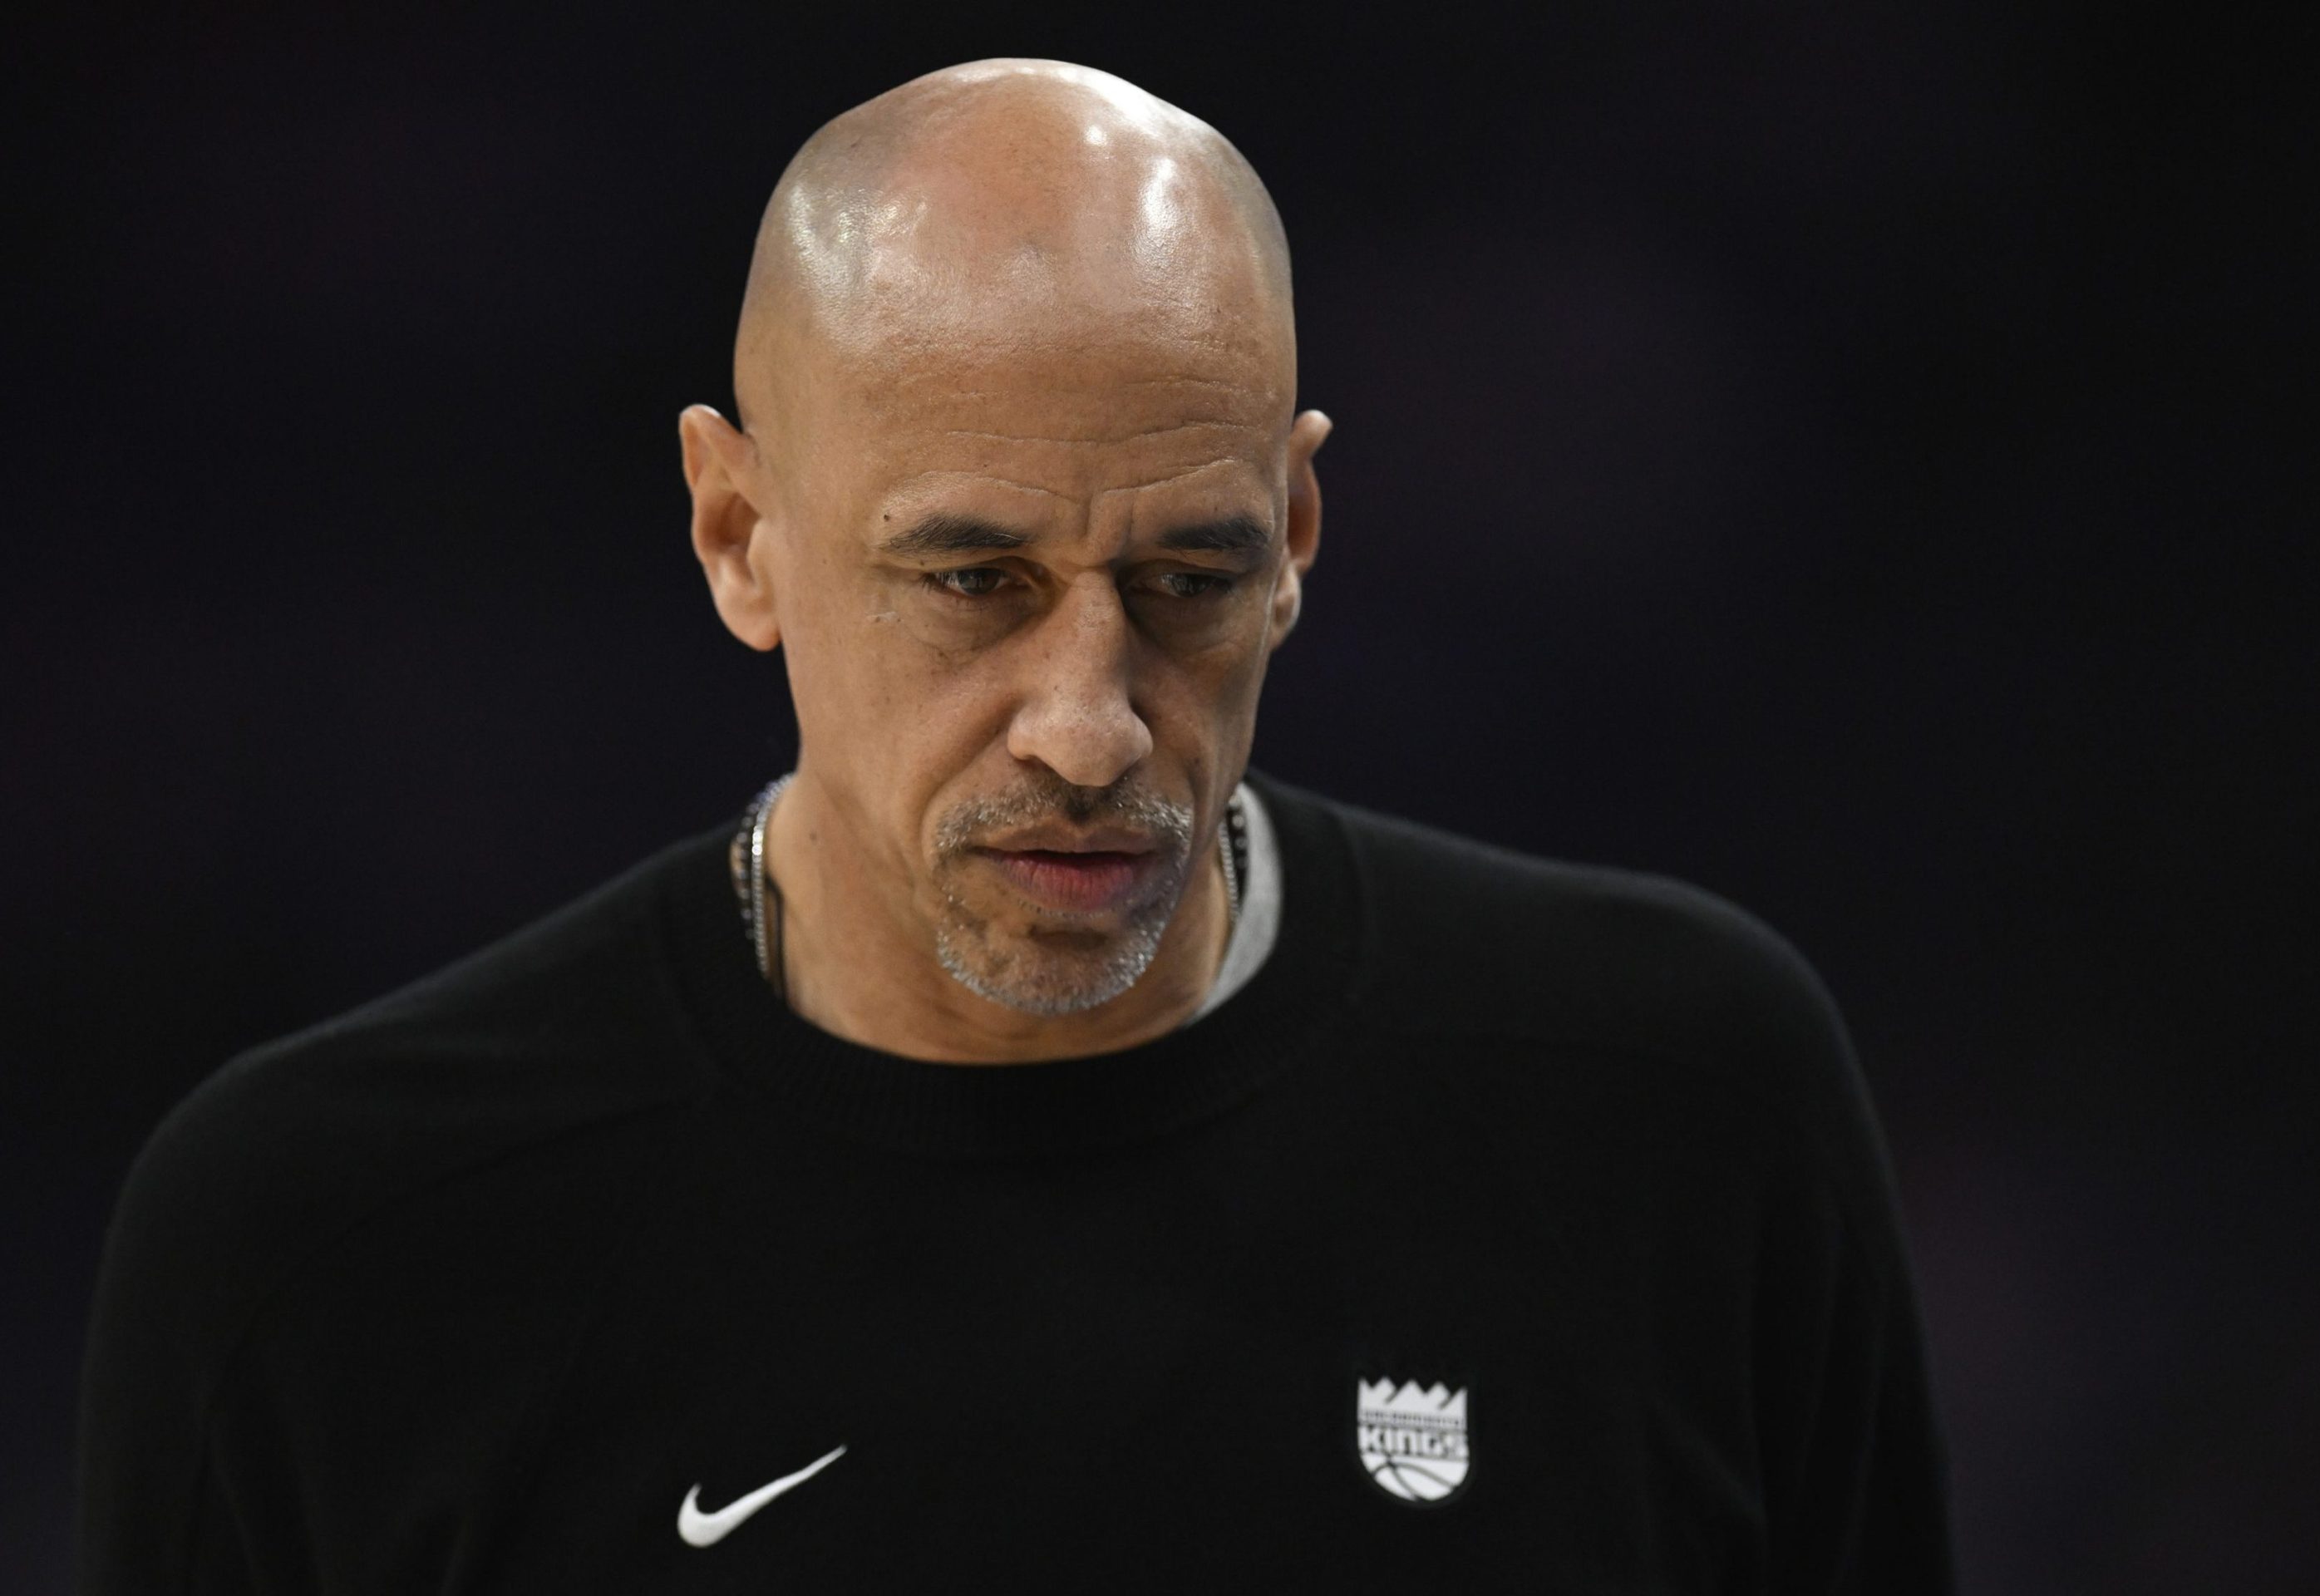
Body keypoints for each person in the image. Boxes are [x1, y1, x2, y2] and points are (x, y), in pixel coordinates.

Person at [77, 59, 1953, 1591]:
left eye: (1187, 580)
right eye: (973, 578)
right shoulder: (324, 1246)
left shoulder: (1684, 1109)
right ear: (741, 535)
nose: (1090, 724)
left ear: (1294, 537)